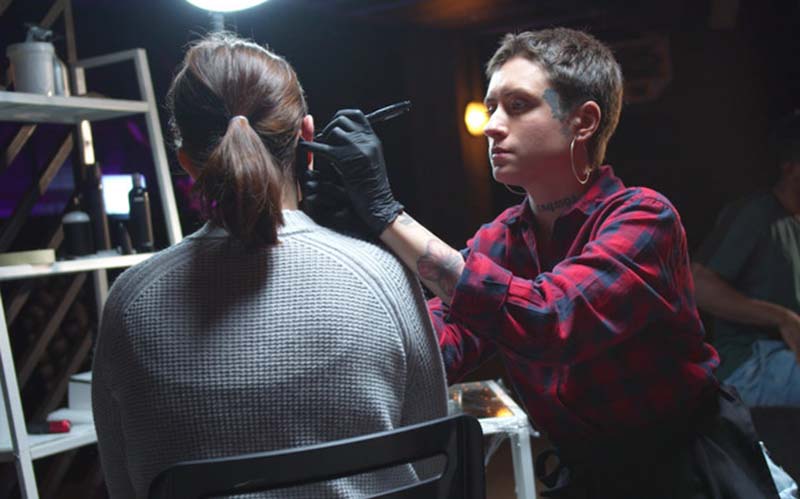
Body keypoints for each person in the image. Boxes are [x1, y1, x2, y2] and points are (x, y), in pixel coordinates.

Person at [300, 28, 793, 498]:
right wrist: (357, 239)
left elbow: (550, 320)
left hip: (692, 473)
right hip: (594, 475)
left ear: (583, 120)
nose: (491, 125)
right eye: (491, 106)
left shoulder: (644, 218)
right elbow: (438, 345)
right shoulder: (500, 240)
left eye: (517, 106)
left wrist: (387, 214)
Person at [91, 33, 447, 499]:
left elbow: (124, 486)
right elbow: (433, 461)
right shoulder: (382, 278)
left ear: (187, 161)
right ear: (307, 136)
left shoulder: (129, 302)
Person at [692, 111, 800, 407]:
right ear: (791, 168)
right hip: (750, 361)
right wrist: (782, 318)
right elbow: (697, 285)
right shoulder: (756, 213)